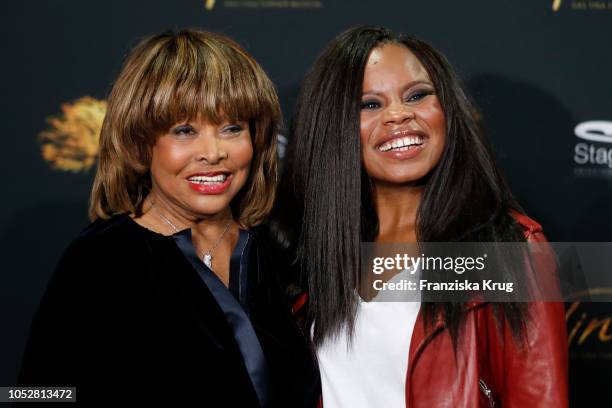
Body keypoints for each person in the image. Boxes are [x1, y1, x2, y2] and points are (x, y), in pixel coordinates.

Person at [19, 29, 319, 407]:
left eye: (231, 128)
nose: (213, 152)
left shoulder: (277, 251)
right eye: (184, 130)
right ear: (141, 142)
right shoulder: (100, 261)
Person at [272, 26, 568, 407]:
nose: (399, 115)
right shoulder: (307, 255)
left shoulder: (509, 251)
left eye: (417, 95)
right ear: (333, 126)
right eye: (370, 104)